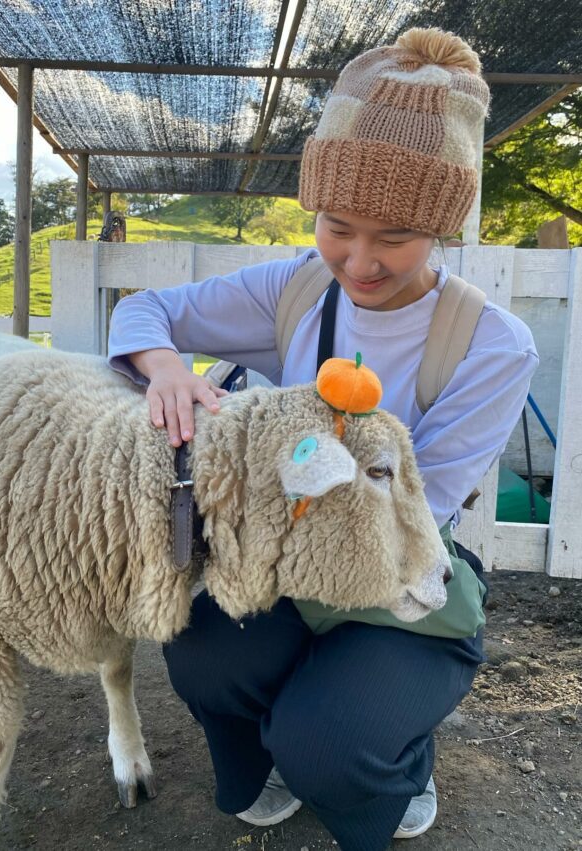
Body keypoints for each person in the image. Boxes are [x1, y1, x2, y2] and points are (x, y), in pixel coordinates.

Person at [107, 27, 538, 851]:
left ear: (442, 227)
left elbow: (426, 502)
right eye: (338, 224)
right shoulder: (300, 289)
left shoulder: (490, 343)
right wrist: (164, 369)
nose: (361, 261)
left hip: (394, 572)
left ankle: (385, 751)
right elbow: (143, 310)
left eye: (395, 236)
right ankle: (281, 739)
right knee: (200, 657)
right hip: (288, 549)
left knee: (331, 745)